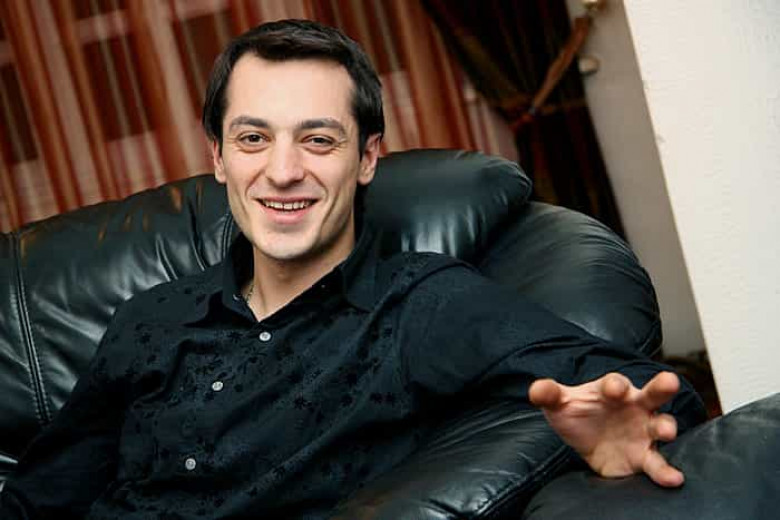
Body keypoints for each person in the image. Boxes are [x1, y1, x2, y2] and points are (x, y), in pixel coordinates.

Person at [0, 19, 705, 519]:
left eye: (317, 139)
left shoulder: (420, 304)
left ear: (366, 158)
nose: (282, 171)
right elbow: (40, 498)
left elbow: (633, 387)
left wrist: (626, 422)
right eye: (253, 138)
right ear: (218, 158)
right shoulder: (149, 318)